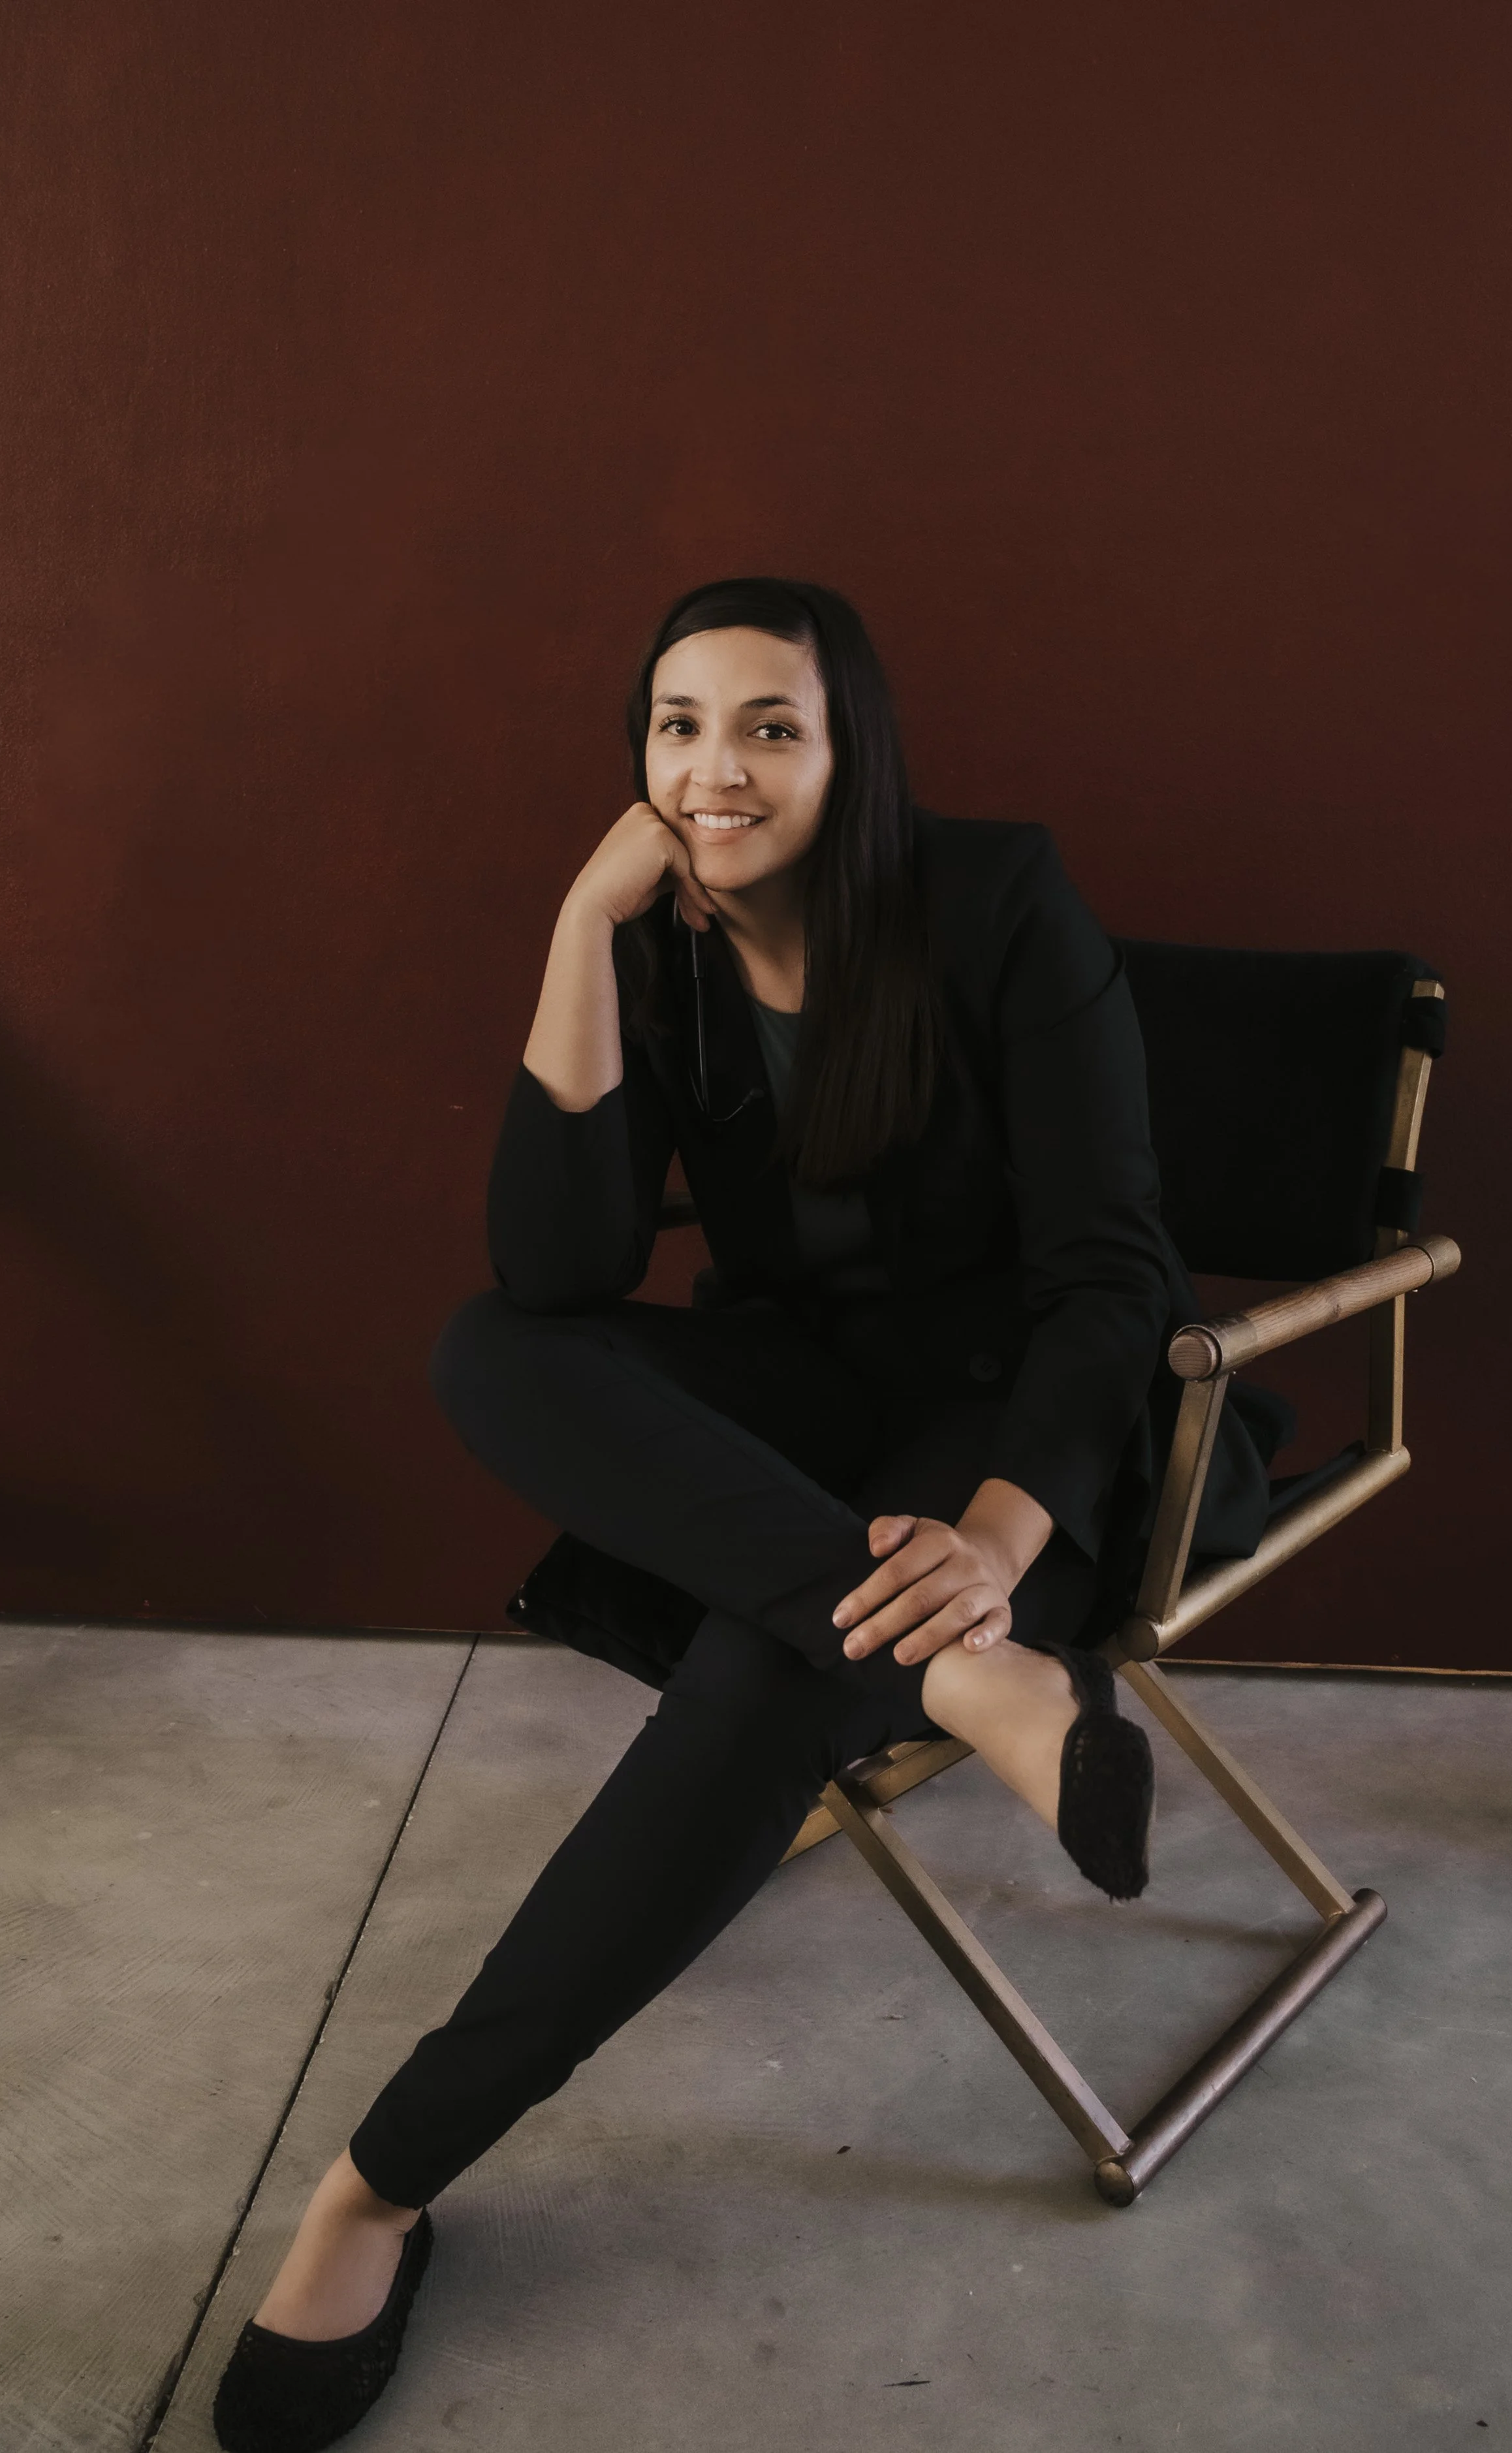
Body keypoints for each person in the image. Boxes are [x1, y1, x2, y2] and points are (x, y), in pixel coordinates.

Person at [213, 577, 1285, 2452]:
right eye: (676, 724)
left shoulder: (996, 896)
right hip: (804, 1413)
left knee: (772, 1662)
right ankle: (980, 1685)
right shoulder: (654, 942)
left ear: (846, 745)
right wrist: (578, 924)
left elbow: (1114, 1279)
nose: (715, 767)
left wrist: (999, 1545)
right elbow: (554, 1270)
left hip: (1030, 1434)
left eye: (767, 724)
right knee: (489, 1353)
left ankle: (375, 2183)